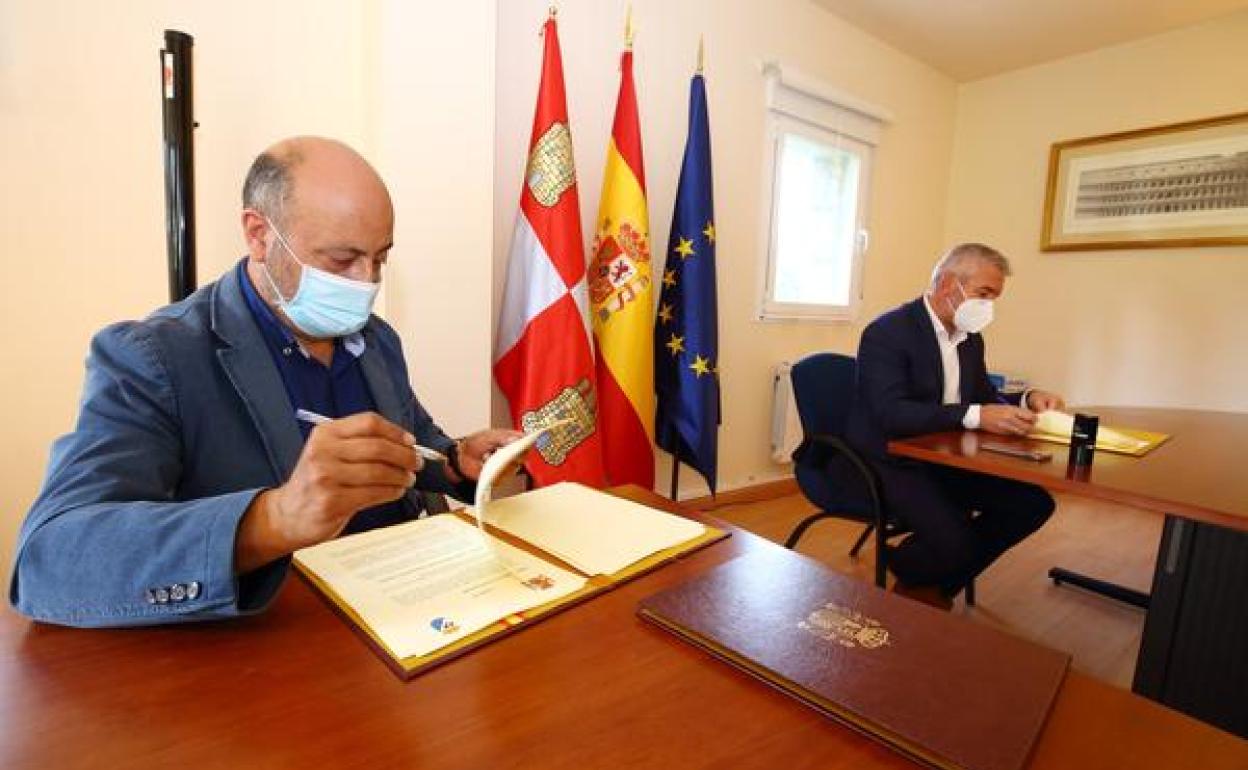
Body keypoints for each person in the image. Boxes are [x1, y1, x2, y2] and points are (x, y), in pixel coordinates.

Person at [10, 136, 520, 627]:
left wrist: (453, 460)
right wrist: (272, 519)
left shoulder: (376, 339)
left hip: (406, 612)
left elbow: (410, 441)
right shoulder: (154, 357)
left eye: (380, 258)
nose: (366, 282)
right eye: (342, 259)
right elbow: (49, 561)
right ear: (259, 234)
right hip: (274, 638)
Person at [846, 243, 1063, 609]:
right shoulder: (887, 333)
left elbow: (983, 396)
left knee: (1032, 503)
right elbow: (891, 414)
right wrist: (975, 415)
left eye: (994, 298)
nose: (989, 307)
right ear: (948, 284)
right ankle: (918, 572)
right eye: (984, 294)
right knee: (955, 541)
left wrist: (1027, 400)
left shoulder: (970, 338)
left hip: (944, 456)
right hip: (888, 458)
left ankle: (925, 580)